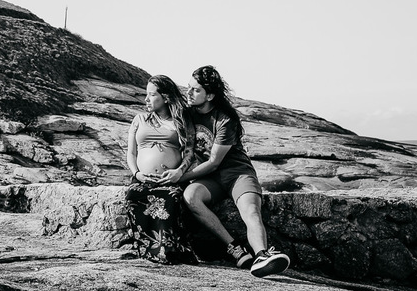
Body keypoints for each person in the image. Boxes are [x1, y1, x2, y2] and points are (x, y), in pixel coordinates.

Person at [178, 65, 291, 278]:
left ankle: (262, 256)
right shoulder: (187, 114)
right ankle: (235, 248)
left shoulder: (225, 120)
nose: (189, 93)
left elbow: (214, 162)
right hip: (210, 179)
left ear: (210, 95)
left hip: (237, 173)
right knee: (190, 197)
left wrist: (181, 176)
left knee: (251, 210)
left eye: (195, 90)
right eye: (189, 87)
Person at [123, 75, 198, 264]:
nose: (146, 99)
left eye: (151, 95)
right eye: (146, 95)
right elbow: (131, 153)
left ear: (166, 97)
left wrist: (179, 172)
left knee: (172, 199)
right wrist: (137, 174)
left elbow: (189, 152)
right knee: (133, 197)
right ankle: (148, 249)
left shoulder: (181, 120)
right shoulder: (139, 119)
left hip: (170, 180)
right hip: (142, 179)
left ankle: (167, 250)